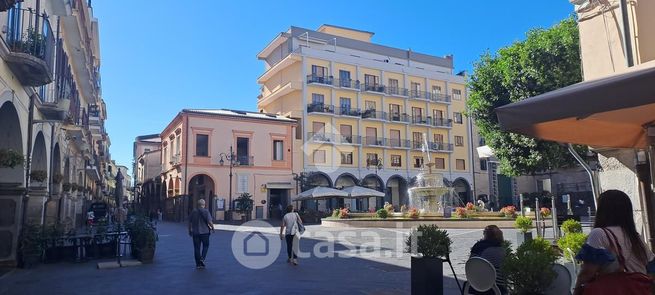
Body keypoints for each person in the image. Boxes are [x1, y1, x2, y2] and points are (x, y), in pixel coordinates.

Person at [574, 190, 655, 295]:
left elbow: (587, 273)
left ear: (602, 210)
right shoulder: (634, 236)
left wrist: (576, 290)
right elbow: (651, 266)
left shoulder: (599, 234)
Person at [465, 225, 507, 294]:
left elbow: (470, 265)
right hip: (497, 288)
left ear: (486, 234)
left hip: (476, 286)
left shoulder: (477, 247)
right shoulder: (502, 250)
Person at [188, 199, 214, 269]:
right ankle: (202, 258)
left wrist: (189, 230)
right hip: (205, 232)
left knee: (196, 248)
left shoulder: (193, 212)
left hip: (195, 233)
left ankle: (198, 264)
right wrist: (213, 228)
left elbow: (189, 222)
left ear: (198, 204)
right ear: (204, 205)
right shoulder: (206, 211)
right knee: (206, 245)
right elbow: (209, 222)